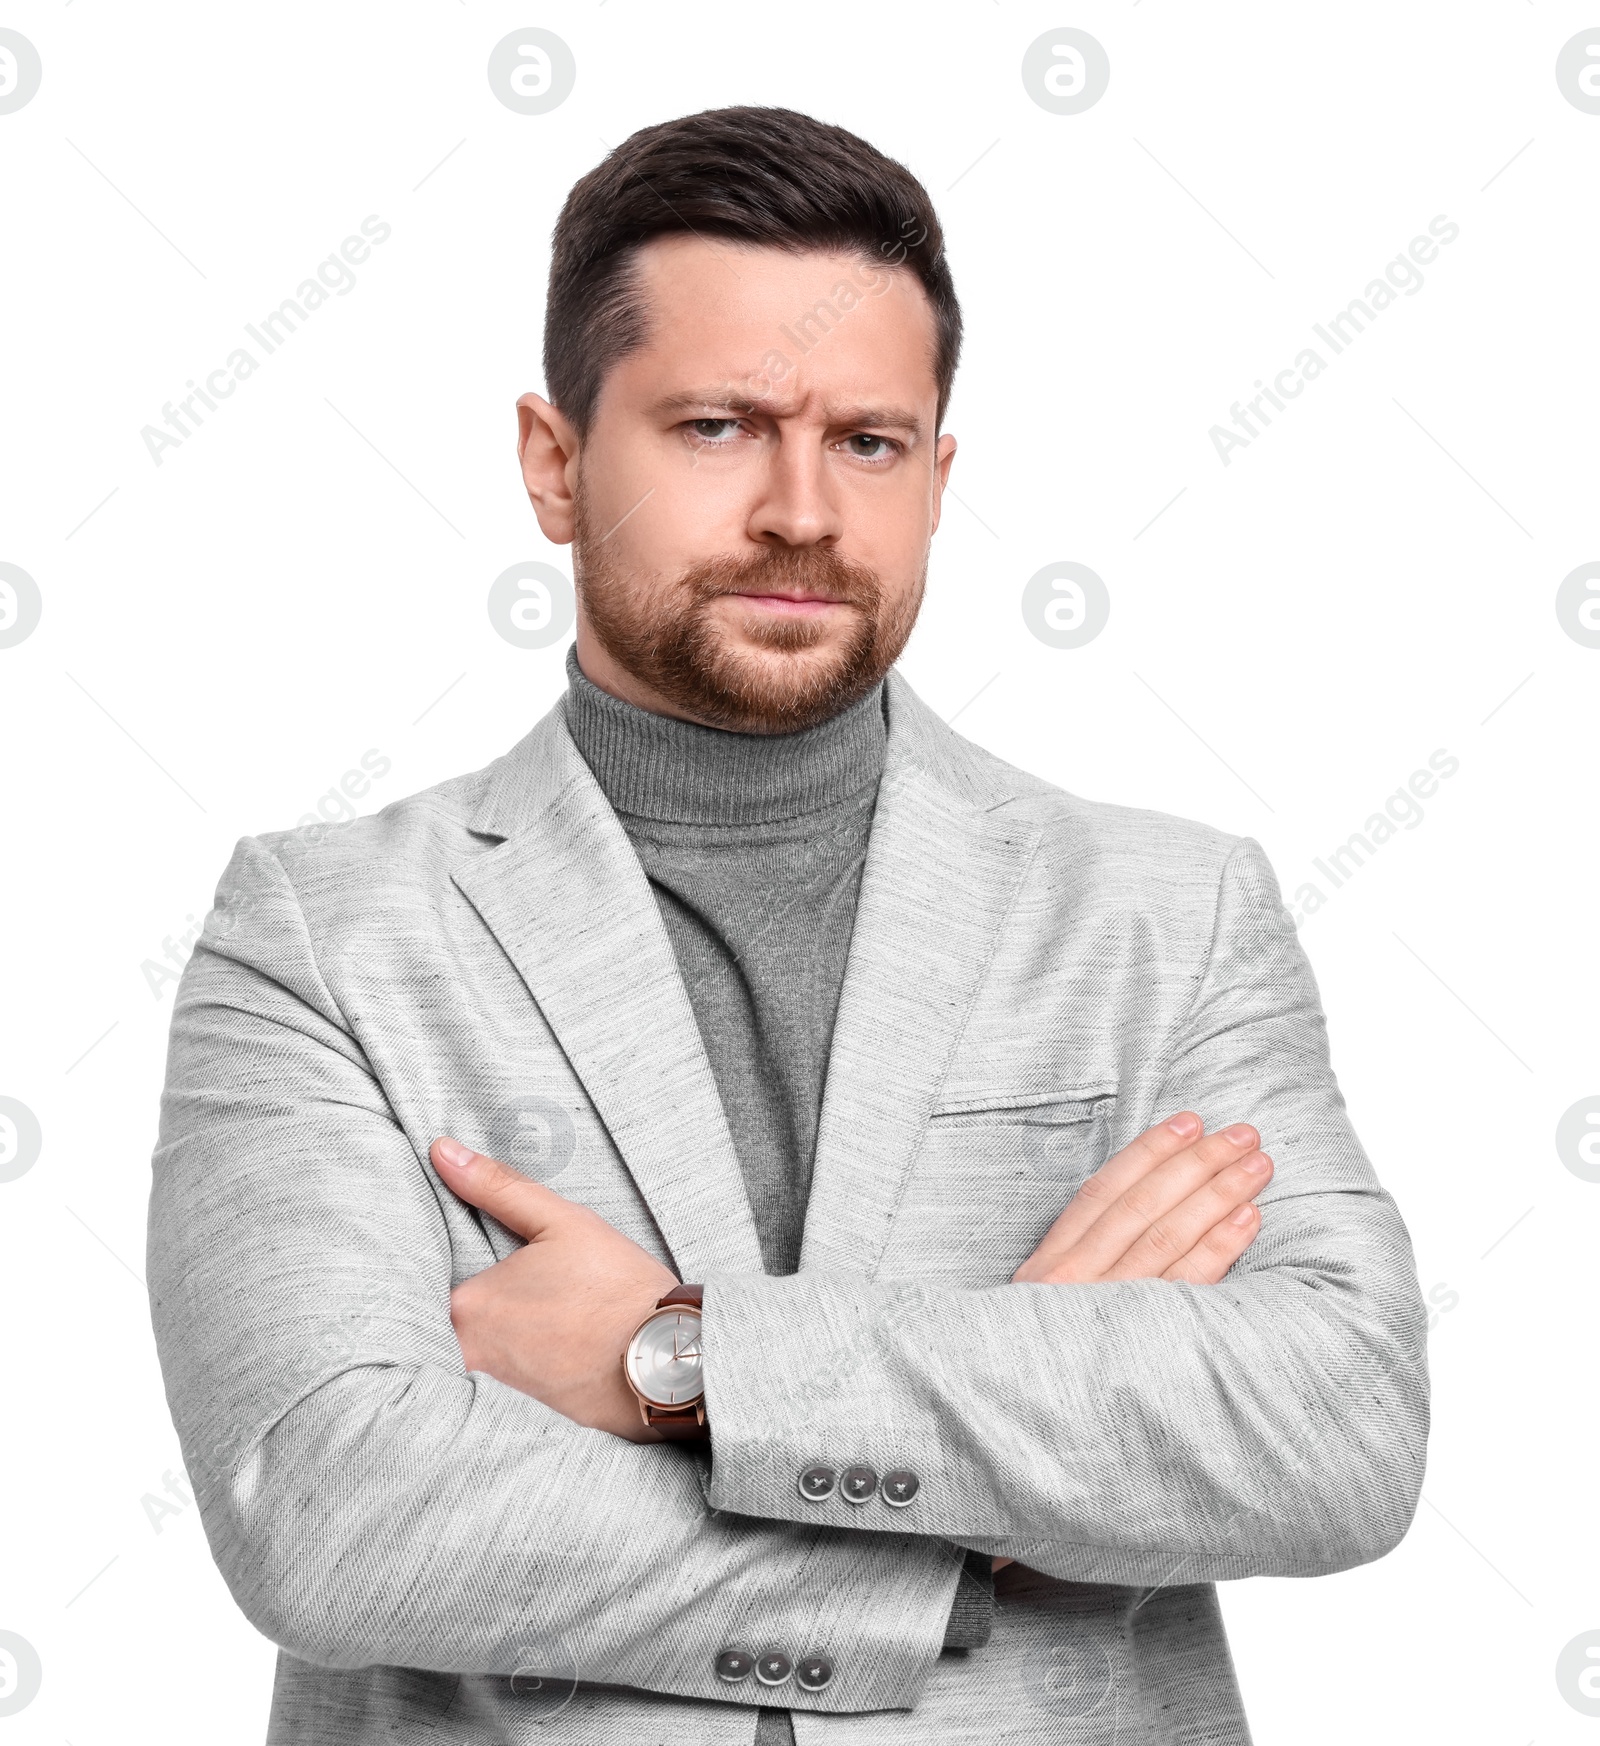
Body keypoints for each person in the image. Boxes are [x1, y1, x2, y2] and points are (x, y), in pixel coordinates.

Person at [147, 106, 1428, 1745]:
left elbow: (1338, 1429)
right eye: (718, 426)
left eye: (871, 442)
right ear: (556, 463)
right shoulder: (325, 932)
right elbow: (328, 1508)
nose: (804, 511)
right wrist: (966, 1522)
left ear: (940, 475)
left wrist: (681, 1361)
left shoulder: (1168, 915)